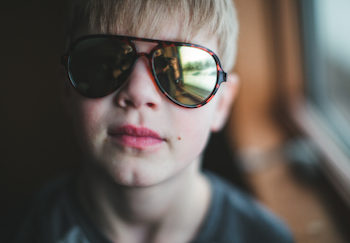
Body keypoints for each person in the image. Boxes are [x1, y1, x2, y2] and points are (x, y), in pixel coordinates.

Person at [11, 0, 294, 242]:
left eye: (182, 70)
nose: (138, 92)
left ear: (222, 104)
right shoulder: (23, 228)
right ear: (66, 88)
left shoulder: (264, 237)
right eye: (104, 62)